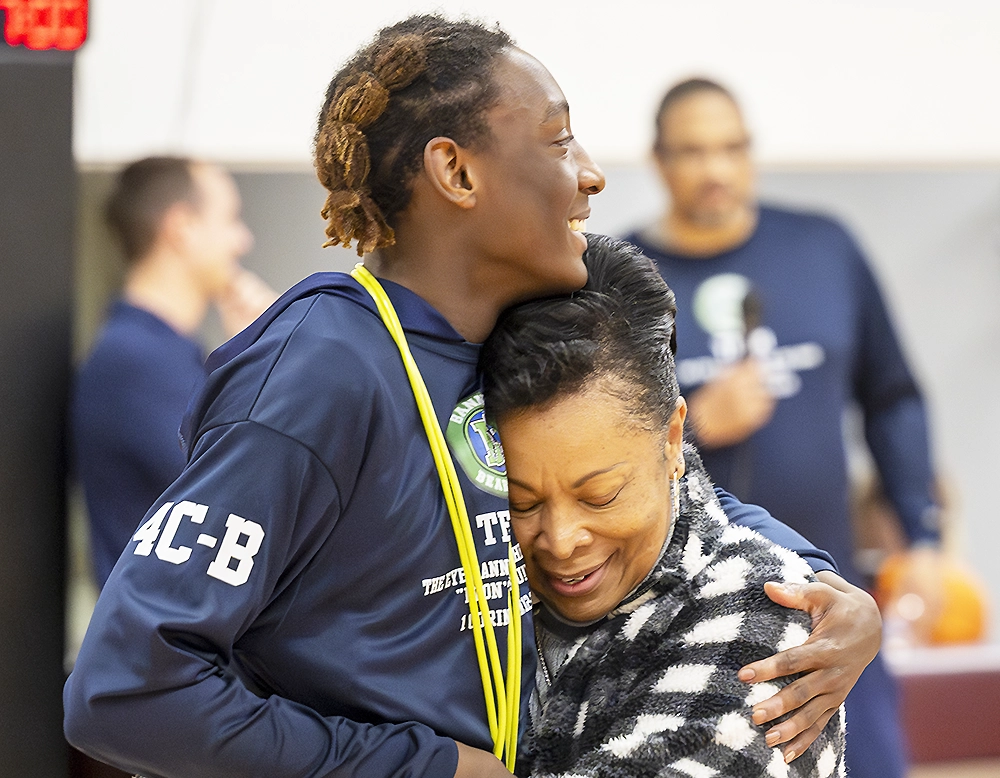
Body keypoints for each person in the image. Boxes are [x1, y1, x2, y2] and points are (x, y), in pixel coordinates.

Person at [65, 17, 878, 778]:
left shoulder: (491, 337)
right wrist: (425, 766)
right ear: (456, 172)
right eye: (560, 142)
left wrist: (819, 584)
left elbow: (662, 478)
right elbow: (126, 691)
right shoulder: (319, 371)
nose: (591, 173)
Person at [623, 77, 942, 778]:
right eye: (693, 151)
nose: (716, 169)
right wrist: (699, 423)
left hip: (837, 602)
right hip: (687, 624)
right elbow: (599, 457)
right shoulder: (621, 280)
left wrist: (922, 534)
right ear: (657, 159)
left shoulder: (823, 248)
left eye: (732, 147)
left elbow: (893, 396)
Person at [480, 234, 846, 777]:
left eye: (599, 496)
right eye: (522, 502)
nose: (559, 540)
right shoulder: (472, 580)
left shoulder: (759, 618)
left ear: (672, 439)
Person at [72, 156, 276, 587]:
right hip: (163, 642)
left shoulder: (163, 354)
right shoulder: (135, 361)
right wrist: (260, 364)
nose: (243, 240)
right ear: (180, 226)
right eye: (229, 219)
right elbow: (244, 491)